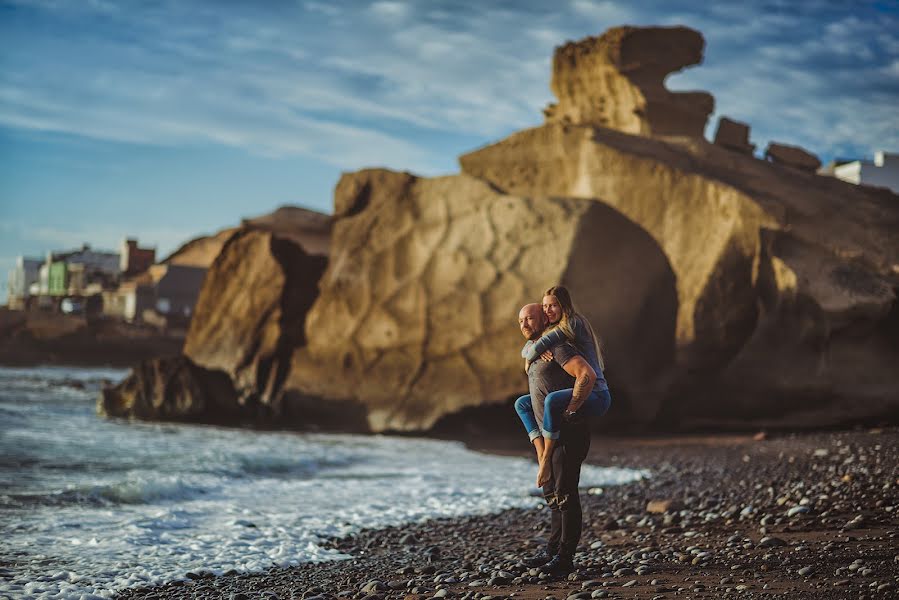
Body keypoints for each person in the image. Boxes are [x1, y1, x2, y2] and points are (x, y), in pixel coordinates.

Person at [513, 303, 597, 578]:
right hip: (550, 435)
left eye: (530, 318)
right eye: (521, 320)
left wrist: (572, 409)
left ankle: (565, 558)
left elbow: (586, 374)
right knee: (553, 495)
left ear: (544, 320)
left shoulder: (559, 348)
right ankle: (552, 550)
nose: (524, 324)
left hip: (569, 432)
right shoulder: (538, 352)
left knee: (566, 494)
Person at [519, 285, 612, 484]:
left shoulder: (572, 323)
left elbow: (538, 345)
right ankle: (541, 451)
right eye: (545, 307)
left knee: (552, 400)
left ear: (564, 306)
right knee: (522, 404)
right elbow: (531, 345)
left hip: (596, 392)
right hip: (583, 390)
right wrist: (534, 350)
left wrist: (571, 410)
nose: (548, 311)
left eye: (553, 306)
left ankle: (545, 460)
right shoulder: (557, 332)